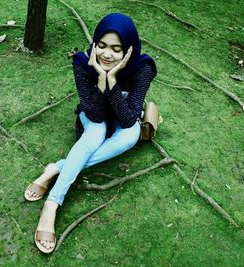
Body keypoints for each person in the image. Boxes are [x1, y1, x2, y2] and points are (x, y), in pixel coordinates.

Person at [24, 13, 157, 253]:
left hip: (122, 117)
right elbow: (94, 114)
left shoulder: (142, 68)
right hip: (92, 117)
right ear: (94, 43)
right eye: (102, 46)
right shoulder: (82, 63)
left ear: (129, 50)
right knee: (95, 133)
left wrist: (113, 80)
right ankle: (52, 204)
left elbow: (128, 120)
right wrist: (100, 78)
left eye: (117, 49)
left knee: (130, 135)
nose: (107, 54)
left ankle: (57, 168)